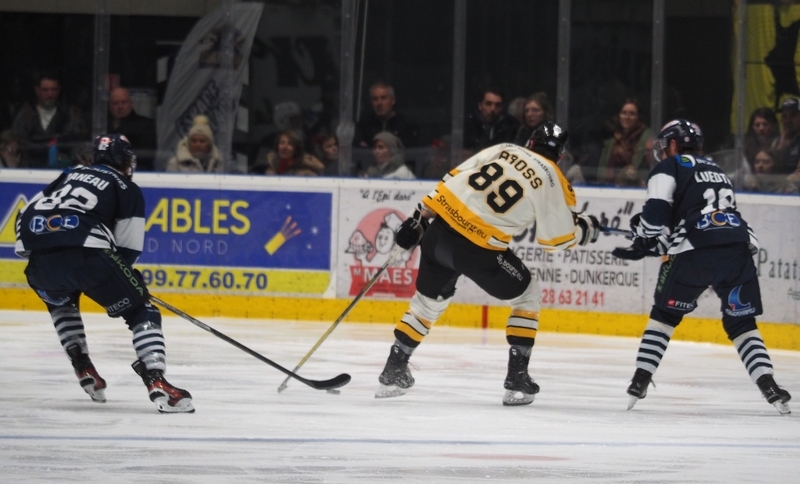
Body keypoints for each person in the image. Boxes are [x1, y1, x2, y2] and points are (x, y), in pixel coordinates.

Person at [375, 121, 602, 405]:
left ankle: (394, 369)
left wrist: (418, 219)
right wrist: (585, 230)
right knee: (528, 295)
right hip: (479, 251)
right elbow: (555, 241)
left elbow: (452, 181)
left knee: (426, 305)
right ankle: (517, 379)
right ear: (561, 156)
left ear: (531, 143)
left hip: (438, 236)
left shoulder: (504, 148)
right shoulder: (554, 178)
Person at [612, 119, 791, 415]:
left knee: (665, 315)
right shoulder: (718, 171)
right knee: (742, 323)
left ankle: (639, 380)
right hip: (737, 248)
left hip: (693, 252)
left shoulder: (668, 167)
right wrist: (651, 239)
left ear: (672, 144)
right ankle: (769, 387)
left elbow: (656, 218)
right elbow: (697, 216)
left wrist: (642, 242)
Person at [14, 134, 194, 413]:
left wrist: (47, 253)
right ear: (123, 160)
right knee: (141, 310)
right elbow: (128, 250)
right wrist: (126, 281)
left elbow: (25, 215)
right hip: (90, 256)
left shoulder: (67, 175)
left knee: (60, 302)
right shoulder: (125, 186)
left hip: (39, 263)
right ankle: (157, 381)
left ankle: (81, 364)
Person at [12, 72, 79, 167]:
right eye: (45, 90)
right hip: (29, 169)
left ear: (59, 91)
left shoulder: (68, 114)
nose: (50, 94)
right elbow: (18, 141)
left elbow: (73, 142)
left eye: (54, 90)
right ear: (37, 91)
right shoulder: (25, 114)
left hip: (61, 168)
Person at [596, 98, 653, 186]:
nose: (627, 117)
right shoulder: (612, 140)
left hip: (637, 187)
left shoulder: (647, 138)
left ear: (639, 117)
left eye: (632, 114)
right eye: (624, 113)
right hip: (609, 187)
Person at [353, 81, 420, 148]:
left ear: (393, 100)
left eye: (383, 98)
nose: (379, 103)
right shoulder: (365, 125)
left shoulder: (406, 125)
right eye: (375, 99)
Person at [107, 87, 157, 171]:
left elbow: (147, 156)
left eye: (124, 102)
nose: (120, 106)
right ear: (110, 106)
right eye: (115, 103)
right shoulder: (103, 125)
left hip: (137, 173)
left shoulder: (145, 124)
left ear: (131, 103)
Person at [463, 87, 520, 153]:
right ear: (480, 106)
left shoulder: (512, 126)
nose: (493, 109)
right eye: (488, 104)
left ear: (502, 107)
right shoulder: (469, 125)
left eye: (497, 105)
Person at [251, 130, 324, 176]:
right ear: (277, 147)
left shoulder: (306, 174)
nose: (285, 147)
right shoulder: (265, 167)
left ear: (296, 149)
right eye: (282, 143)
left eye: (290, 144)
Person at [772, 97, 800, 174]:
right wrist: (780, 149)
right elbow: (770, 169)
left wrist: (781, 184)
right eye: (784, 116)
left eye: (793, 116)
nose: (788, 120)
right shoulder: (777, 141)